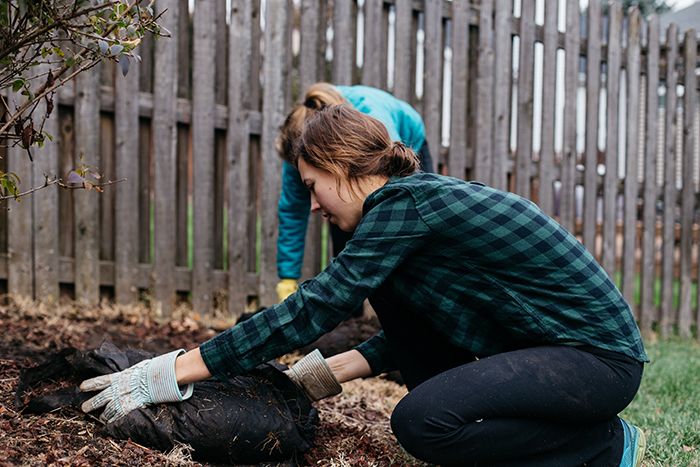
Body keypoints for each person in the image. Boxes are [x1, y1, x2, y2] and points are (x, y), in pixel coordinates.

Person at [81, 105, 648, 467]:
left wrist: (173, 370)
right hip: (557, 356)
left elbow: (316, 306)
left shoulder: (406, 204)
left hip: (596, 360)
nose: (312, 204)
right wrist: (320, 375)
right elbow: (413, 333)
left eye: (312, 185)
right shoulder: (408, 211)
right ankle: (580, 434)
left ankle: (603, 447)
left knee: (424, 423)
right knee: (413, 343)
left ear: (343, 167)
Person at [275, 82, 434, 302]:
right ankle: (350, 316)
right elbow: (292, 211)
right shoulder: (296, 149)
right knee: (341, 217)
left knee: (404, 225)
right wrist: (288, 277)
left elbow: (393, 188)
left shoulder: (371, 118)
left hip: (406, 140)